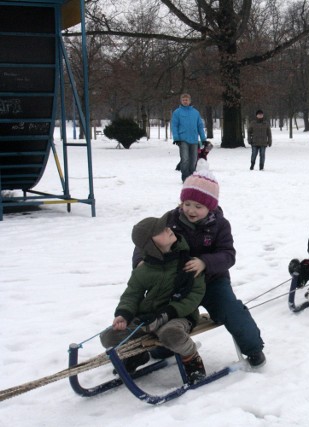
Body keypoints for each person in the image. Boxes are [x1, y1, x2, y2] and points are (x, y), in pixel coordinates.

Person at [133, 168, 266, 368]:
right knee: (164, 313)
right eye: (187, 204)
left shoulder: (220, 225)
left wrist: (205, 263)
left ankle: (253, 347)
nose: (191, 210)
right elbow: (146, 241)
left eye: (198, 206)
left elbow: (228, 255)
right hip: (178, 284)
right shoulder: (170, 220)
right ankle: (164, 347)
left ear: (211, 207)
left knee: (231, 310)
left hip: (213, 281)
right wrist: (139, 262)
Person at [101, 214, 207, 384]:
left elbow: (195, 295)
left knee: (170, 334)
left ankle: (191, 357)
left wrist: (166, 313)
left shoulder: (188, 264)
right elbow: (132, 294)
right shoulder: (144, 269)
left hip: (179, 316)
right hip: (148, 318)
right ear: (151, 244)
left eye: (165, 226)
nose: (168, 229)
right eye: (161, 230)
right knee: (109, 337)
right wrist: (124, 314)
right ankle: (137, 355)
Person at [171, 93, 207, 182]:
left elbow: (200, 126)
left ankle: (192, 176)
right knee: (185, 159)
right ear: (181, 101)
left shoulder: (195, 112)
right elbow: (174, 126)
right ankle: (185, 177)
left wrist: (203, 139)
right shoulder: (177, 112)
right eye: (183, 100)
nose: (185, 102)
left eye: (186, 100)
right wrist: (176, 138)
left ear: (190, 101)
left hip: (194, 139)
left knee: (194, 159)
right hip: (183, 139)